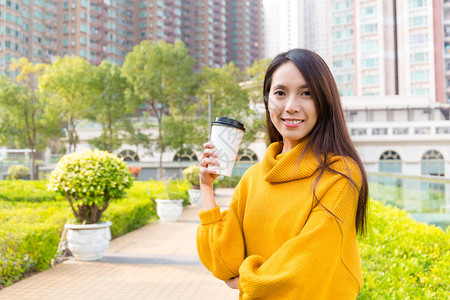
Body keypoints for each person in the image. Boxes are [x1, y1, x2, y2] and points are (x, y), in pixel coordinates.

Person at [197, 48, 368, 299]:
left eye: (306, 93)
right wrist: (206, 187)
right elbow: (224, 264)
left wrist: (245, 280)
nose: (291, 107)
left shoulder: (339, 175)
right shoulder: (253, 179)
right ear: (268, 102)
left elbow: (303, 269)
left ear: (324, 101)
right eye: (280, 93)